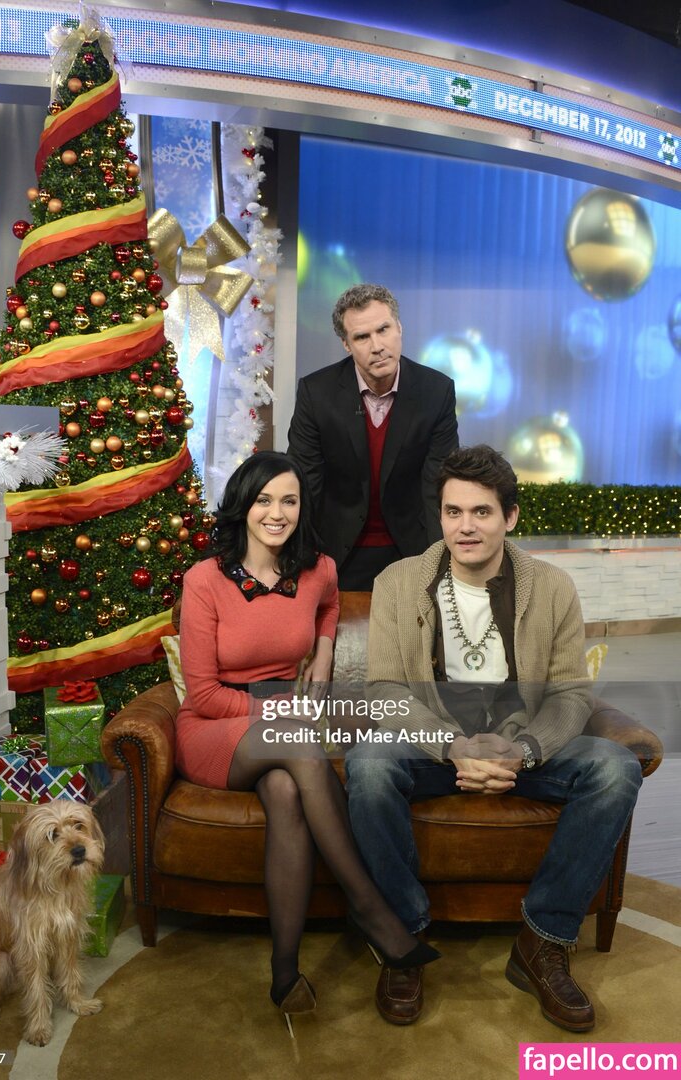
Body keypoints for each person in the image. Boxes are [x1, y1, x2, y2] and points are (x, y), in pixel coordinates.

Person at [345, 445, 643, 1028]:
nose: (465, 527)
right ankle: (403, 939)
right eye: (453, 511)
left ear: (509, 517)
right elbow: (384, 690)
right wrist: (451, 746)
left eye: (481, 512)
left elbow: (569, 693)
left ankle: (542, 942)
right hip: (433, 748)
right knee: (369, 764)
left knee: (616, 766)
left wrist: (525, 750)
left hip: (522, 749)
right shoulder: (399, 582)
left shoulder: (551, 587)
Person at [174, 450, 436, 1035]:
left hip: (279, 728)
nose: (277, 512)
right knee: (297, 739)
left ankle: (285, 972)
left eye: (289, 500)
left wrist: (323, 650)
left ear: (301, 507)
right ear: (242, 506)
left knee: (287, 793)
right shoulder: (205, 580)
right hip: (217, 727)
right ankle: (370, 907)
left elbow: (331, 604)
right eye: (264, 500)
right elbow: (204, 696)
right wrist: (283, 710)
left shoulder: (318, 569)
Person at [287, 283, 458, 590]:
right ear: (346, 344)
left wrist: (440, 564)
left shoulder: (436, 391)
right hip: (337, 551)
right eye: (362, 337)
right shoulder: (316, 393)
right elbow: (305, 483)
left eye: (383, 329)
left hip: (412, 547)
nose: (377, 346)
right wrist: (301, 564)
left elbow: (439, 486)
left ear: (399, 328)